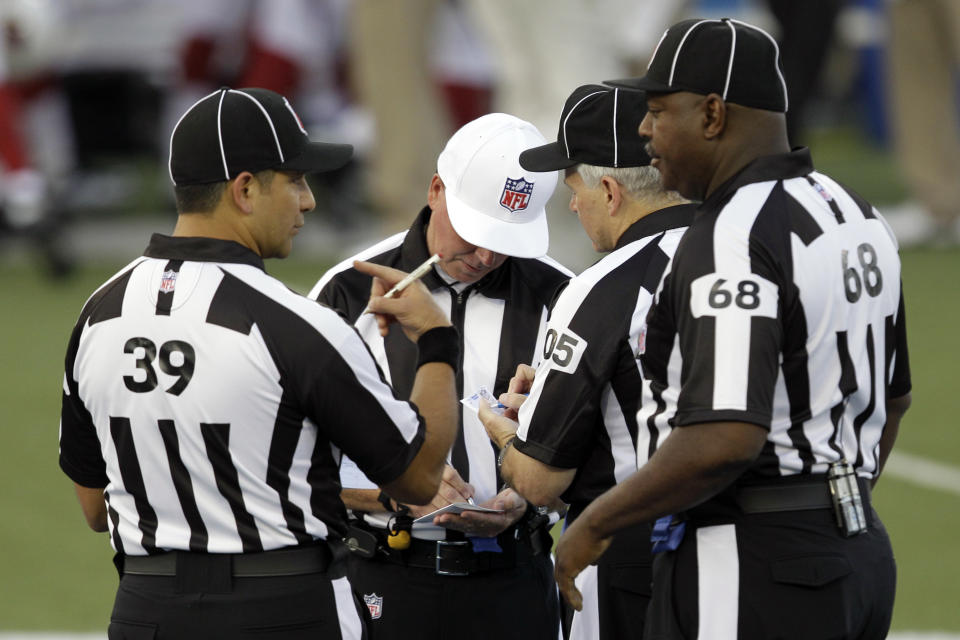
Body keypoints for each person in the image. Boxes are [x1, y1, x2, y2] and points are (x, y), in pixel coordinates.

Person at [553, 18, 912, 640]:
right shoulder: (853, 210)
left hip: (750, 555)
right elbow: (895, 393)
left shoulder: (731, 235)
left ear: (712, 115)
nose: (644, 131)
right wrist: (831, 509)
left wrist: (595, 523)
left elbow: (723, 438)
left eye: (661, 111)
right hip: (859, 552)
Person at [58, 87, 460, 639]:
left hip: (145, 609)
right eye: (295, 179)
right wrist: (437, 340)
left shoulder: (98, 313)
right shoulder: (297, 324)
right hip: (280, 609)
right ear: (245, 189)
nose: (309, 200)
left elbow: (94, 506)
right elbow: (419, 477)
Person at [309, 112, 571, 640]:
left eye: (506, 238)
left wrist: (526, 494)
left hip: (516, 576)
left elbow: (598, 453)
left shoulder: (561, 295)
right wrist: (392, 492)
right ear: (435, 190)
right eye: (475, 232)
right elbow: (293, 460)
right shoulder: (347, 292)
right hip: (384, 576)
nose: (486, 255)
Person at [477, 84, 693, 640]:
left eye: (574, 187)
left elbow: (539, 481)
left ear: (612, 191)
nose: (572, 204)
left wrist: (509, 434)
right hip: (758, 546)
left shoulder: (598, 290)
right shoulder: (750, 249)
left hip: (631, 552)